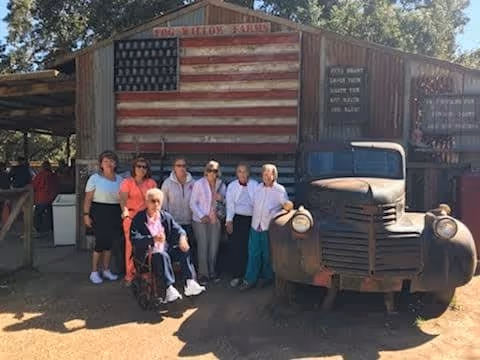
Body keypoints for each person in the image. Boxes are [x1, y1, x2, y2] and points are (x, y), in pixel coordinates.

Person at [130, 188, 205, 303]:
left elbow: (178, 229)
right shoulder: (139, 219)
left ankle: (189, 283)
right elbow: (134, 239)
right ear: (146, 202)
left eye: (158, 201)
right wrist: (152, 239)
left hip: (166, 250)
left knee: (183, 249)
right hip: (148, 256)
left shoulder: (165, 217)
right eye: (152, 201)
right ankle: (169, 288)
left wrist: (182, 238)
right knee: (162, 255)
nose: (156, 204)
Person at [239, 164, 289, 291]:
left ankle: (267, 278)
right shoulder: (258, 188)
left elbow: (286, 207)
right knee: (253, 253)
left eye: (268, 174)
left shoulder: (279, 190)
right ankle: (250, 280)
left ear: (274, 175)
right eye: (264, 174)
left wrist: (275, 213)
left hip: (268, 227)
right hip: (256, 225)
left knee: (267, 255)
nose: (266, 176)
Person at [83, 150, 124, 284]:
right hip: (99, 212)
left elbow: (123, 199)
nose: (109, 164)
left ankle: (106, 270)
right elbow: (88, 199)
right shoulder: (95, 179)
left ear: (116, 163)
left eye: (111, 161)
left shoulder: (121, 180)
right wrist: (86, 215)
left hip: (115, 212)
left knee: (110, 243)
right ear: (101, 164)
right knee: (100, 242)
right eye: (105, 161)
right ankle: (94, 272)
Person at [119, 157, 157, 286]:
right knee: (130, 247)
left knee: (149, 246)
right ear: (134, 168)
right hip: (131, 216)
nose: (141, 169)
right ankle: (130, 275)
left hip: (147, 218)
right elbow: (123, 198)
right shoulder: (127, 182)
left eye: (144, 167)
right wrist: (124, 211)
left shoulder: (151, 183)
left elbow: (155, 200)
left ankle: (147, 273)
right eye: (139, 166)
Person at [190, 160, 226, 285]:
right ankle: (203, 274)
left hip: (215, 220)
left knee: (214, 247)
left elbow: (227, 202)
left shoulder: (221, 185)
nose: (212, 173)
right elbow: (192, 203)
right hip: (201, 220)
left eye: (215, 170)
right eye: (210, 170)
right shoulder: (199, 184)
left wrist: (221, 198)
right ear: (205, 171)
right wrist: (201, 215)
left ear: (218, 172)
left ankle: (212, 272)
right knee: (203, 246)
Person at [225, 163, 258, 288]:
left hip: (252, 219)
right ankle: (236, 275)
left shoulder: (255, 185)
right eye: (240, 171)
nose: (242, 174)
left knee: (249, 248)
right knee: (236, 247)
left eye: (244, 171)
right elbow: (230, 205)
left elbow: (257, 203)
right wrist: (229, 221)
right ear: (236, 173)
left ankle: (248, 276)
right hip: (237, 219)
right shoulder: (232, 186)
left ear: (248, 173)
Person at [161, 157, 196, 262]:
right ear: (174, 168)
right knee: (174, 249)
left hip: (190, 222)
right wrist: (166, 222)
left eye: (184, 166)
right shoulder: (167, 183)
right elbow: (163, 205)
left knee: (189, 249)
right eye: (178, 165)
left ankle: (190, 273)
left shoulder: (194, 183)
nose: (181, 168)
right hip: (174, 222)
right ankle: (175, 273)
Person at [31, 160, 59, 233]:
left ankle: (38, 229)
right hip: (52, 198)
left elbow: (34, 185)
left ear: (42, 167)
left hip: (42, 198)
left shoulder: (41, 175)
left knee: (38, 214)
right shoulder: (53, 175)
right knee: (51, 214)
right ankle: (51, 229)